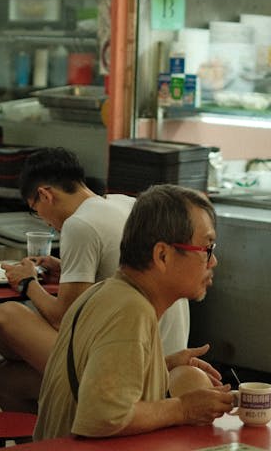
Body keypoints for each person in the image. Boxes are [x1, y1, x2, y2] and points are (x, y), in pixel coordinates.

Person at [0, 148, 193, 413]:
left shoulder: (80, 224)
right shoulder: (124, 203)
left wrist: (27, 283)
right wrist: (66, 269)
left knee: (4, 318)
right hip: (166, 353)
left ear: (45, 195)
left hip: (130, 364)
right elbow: (119, 276)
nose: (44, 221)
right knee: (7, 377)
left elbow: (63, 318)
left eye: (35, 210)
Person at [33, 184, 232, 440]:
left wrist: (160, 364)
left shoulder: (107, 292)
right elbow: (101, 417)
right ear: (162, 255)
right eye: (207, 249)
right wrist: (185, 408)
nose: (213, 261)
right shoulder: (130, 310)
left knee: (191, 379)